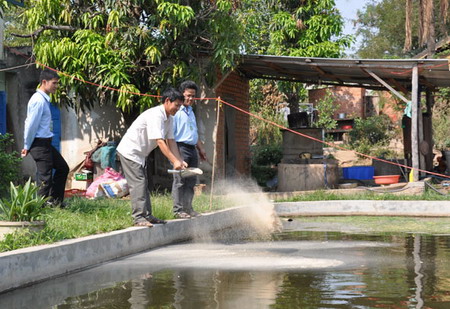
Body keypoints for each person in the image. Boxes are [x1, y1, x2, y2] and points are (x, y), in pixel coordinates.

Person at [117, 88, 187, 227]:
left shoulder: (169, 119)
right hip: (130, 151)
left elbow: (171, 141)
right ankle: (138, 217)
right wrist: (174, 161)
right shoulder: (156, 115)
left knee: (144, 183)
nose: (178, 109)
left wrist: (179, 160)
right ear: (167, 101)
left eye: (180, 106)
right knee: (139, 183)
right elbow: (160, 141)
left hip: (141, 154)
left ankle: (147, 215)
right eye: (177, 105)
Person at [21, 68, 69, 207]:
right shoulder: (38, 101)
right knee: (45, 177)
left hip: (45, 143)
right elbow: (30, 126)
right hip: (39, 144)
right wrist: (26, 146)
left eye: (57, 83)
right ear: (44, 82)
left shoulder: (43, 99)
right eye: (54, 83)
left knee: (62, 168)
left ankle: (55, 202)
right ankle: (38, 209)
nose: (56, 86)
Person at [172, 81, 207, 219]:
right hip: (180, 148)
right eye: (188, 96)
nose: (191, 99)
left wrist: (201, 149)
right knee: (180, 180)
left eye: (193, 96)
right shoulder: (176, 112)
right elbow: (170, 136)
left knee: (191, 181)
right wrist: (176, 157)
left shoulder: (191, 111)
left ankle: (188, 208)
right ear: (182, 94)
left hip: (192, 149)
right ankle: (178, 209)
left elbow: (194, 133)